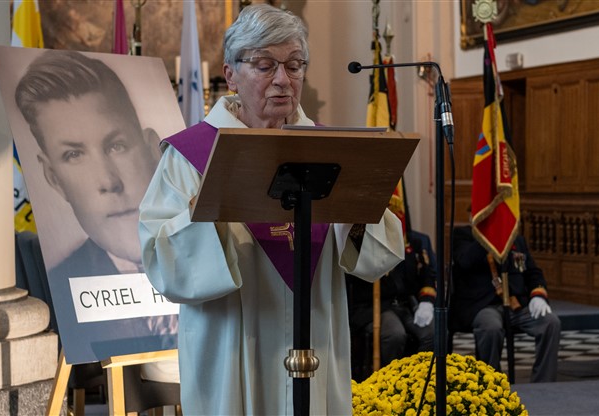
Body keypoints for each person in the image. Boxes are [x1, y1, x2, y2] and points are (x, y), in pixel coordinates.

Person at [138, 4, 404, 415]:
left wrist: (355, 208)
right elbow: (162, 260)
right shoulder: (190, 156)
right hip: (230, 348)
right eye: (265, 66)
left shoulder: (331, 151)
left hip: (316, 338)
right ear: (230, 75)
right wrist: (211, 209)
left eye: (294, 66)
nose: (283, 79)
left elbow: (377, 257)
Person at [14, 49, 178, 381]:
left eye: (117, 146)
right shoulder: (66, 283)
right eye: (74, 155)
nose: (108, 181)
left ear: (153, 148)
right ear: (53, 178)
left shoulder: (208, 262)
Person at [451, 225, 561, 382]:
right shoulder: (463, 235)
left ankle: (544, 382)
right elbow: (465, 261)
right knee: (491, 327)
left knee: (550, 322)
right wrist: (488, 237)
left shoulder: (516, 239)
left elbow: (532, 272)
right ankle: (491, 382)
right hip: (483, 305)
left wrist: (538, 295)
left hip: (516, 305)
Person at [346, 230, 436, 371]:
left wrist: (426, 301)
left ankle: (419, 375)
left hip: (405, 304)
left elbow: (425, 275)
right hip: (375, 306)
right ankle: (390, 378)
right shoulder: (364, 239)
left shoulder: (412, 241)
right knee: (394, 334)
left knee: (432, 333)